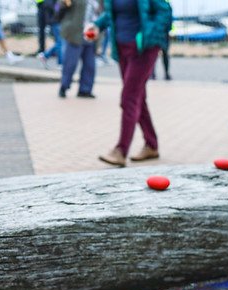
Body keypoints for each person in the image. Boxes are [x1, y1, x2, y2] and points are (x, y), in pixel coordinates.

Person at [89, 0, 172, 167]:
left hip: (143, 49)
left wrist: (151, 35)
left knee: (128, 97)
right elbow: (112, 14)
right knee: (138, 98)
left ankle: (121, 150)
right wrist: (96, 25)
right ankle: (151, 145)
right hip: (122, 48)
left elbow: (165, 11)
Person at [58, 0, 99, 98]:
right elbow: (60, 5)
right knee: (70, 63)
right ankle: (64, 86)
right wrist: (64, 4)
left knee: (90, 65)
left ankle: (85, 90)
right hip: (75, 32)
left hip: (91, 33)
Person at [37, 0, 63, 68]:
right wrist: (59, 7)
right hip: (56, 21)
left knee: (60, 42)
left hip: (58, 20)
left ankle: (45, 56)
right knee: (60, 42)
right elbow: (53, 7)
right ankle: (60, 63)